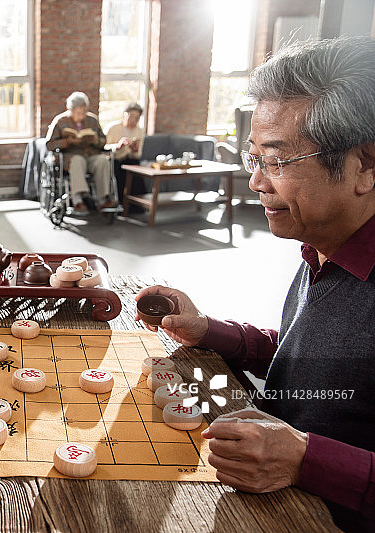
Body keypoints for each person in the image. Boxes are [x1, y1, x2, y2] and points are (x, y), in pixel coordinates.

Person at [136, 36, 375, 532]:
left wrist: (307, 460)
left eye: (278, 161)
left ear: (365, 165)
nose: (257, 183)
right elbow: (316, 366)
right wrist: (207, 331)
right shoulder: (321, 248)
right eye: (254, 159)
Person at [45, 91, 118, 215]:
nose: (82, 115)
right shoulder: (60, 121)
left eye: (84, 112)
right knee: (77, 160)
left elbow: (103, 141)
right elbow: (49, 144)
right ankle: (78, 200)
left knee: (102, 160)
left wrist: (96, 140)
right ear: (70, 110)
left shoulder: (92, 120)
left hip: (90, 155)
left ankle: (102, 200)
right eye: (79, 112)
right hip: (70, 158)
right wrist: (67, 141)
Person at [105, 102, 146, 204]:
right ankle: (119, 203)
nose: (134, 120)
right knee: (119, 171)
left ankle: (136, 205)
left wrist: (134, 149)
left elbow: (138, 154)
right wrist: (117, 146)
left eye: (137, 118)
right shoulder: (112, 128)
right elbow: (103, 148)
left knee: (136, 171)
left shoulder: (139, 131)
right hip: (115, 159)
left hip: (131, 160)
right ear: (124, 114)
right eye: (131, 116)